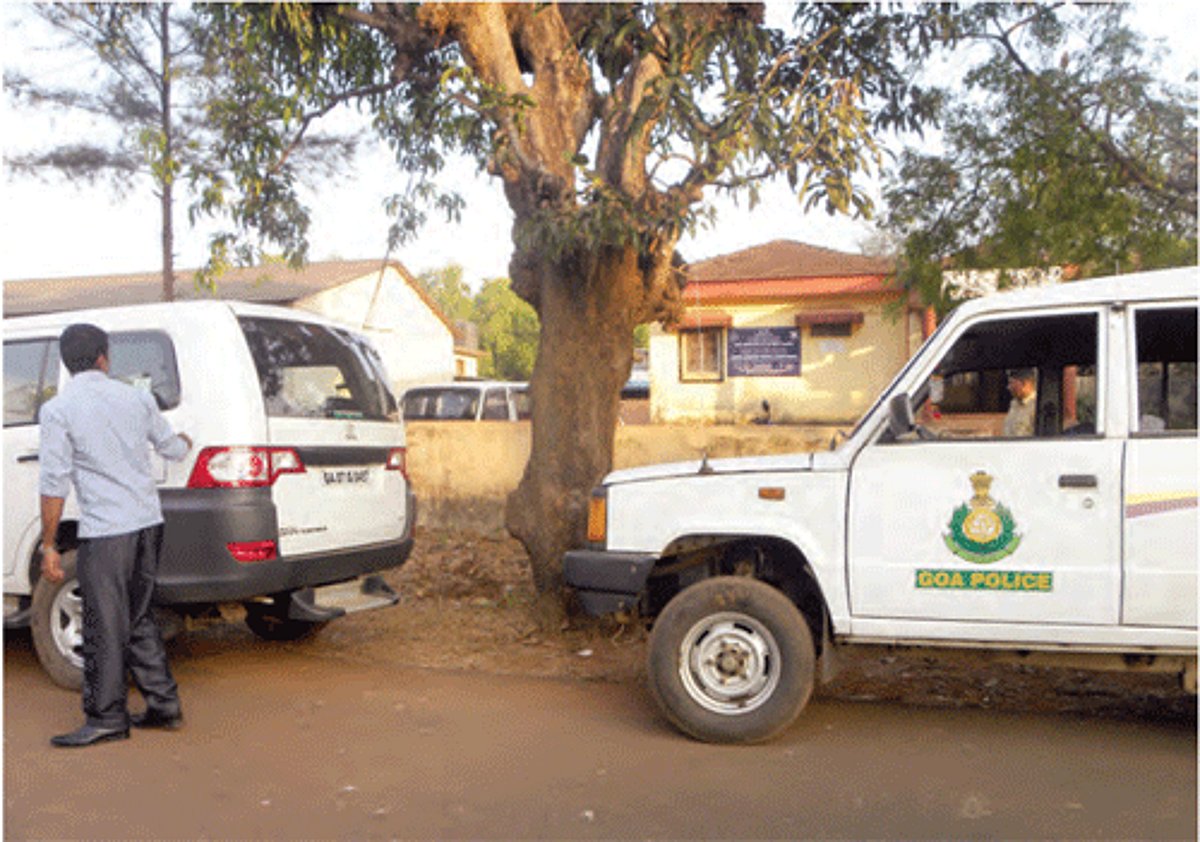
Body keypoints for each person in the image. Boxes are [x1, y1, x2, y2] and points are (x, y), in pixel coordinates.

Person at [39, 323, 193, 748]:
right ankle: (164, 705)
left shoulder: (59, 410)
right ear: (105, 357)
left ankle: (107, 717)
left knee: (104, 624)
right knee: (138, 615)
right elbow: (173, 449)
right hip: (147, 524)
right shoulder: (137, 398)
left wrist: (49, 544)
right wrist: (184, 439)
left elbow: (54, 482)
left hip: (106, 533)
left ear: (67, 364)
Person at [1003, 368, 1038, 437]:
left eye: (1011, 383)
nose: (1009, 387)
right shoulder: (1014, 404)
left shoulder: (1036, 406)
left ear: (1024, 383)